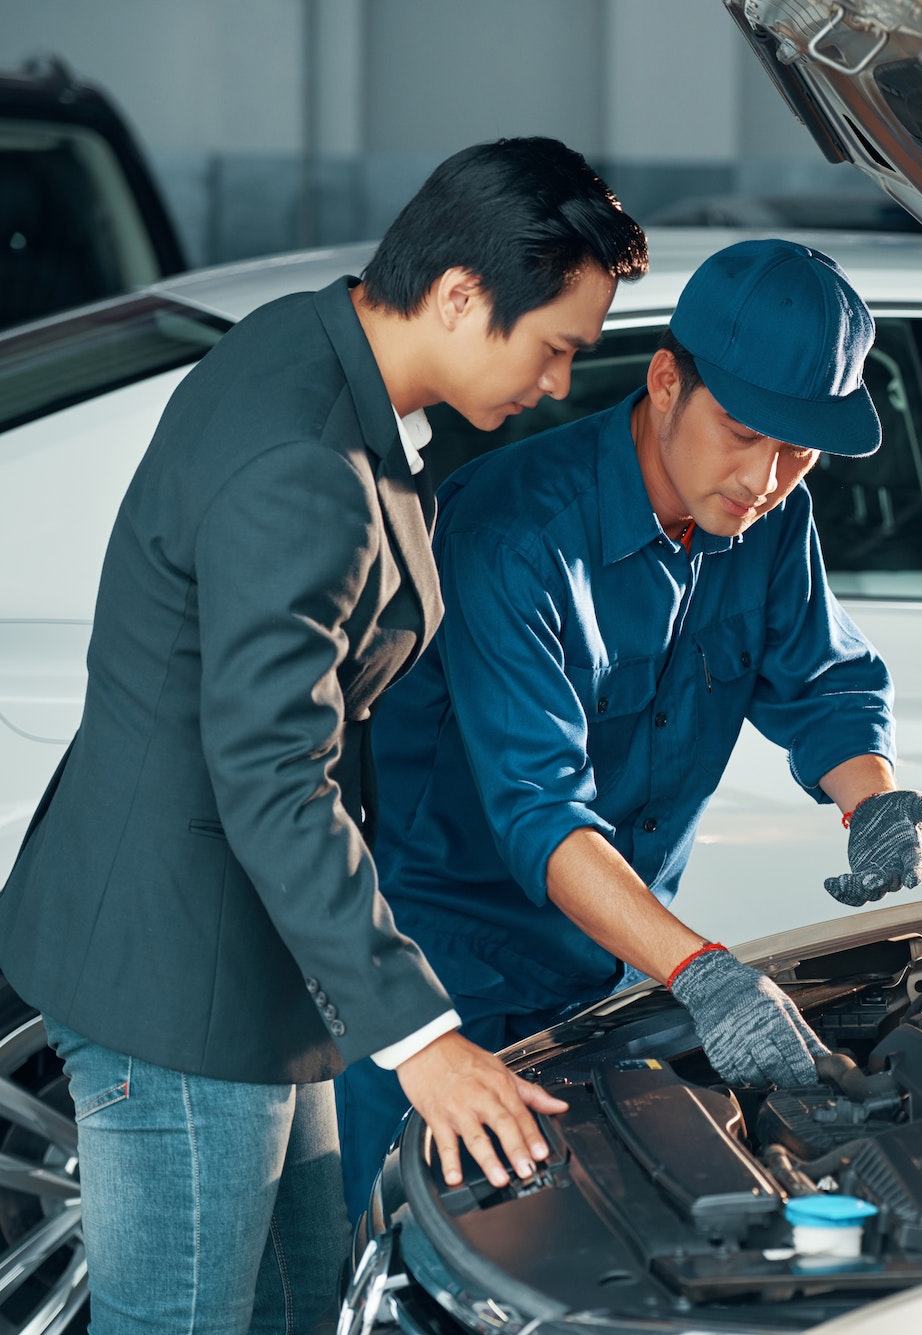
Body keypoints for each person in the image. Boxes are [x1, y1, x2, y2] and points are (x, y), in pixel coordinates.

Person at [0, 138, 648, 1333]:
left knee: (299, 1307)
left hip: (251, 959)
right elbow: (271, 768)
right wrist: (423, 1040)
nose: (559, 386)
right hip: (179, 980)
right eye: (552, 347)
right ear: (460, 294)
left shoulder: (314, 343)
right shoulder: (303, 461)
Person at [332, 239, 922, 1217]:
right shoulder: (513, 538)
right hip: (448, 999)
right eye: (743, 432)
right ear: (665, 381)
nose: (769, 475)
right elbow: (539, 808)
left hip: (610, 988)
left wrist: (872, 797)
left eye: (798, 448)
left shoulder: (767, 519)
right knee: (396, 1272)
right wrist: (702, 971)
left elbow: (821, 678)